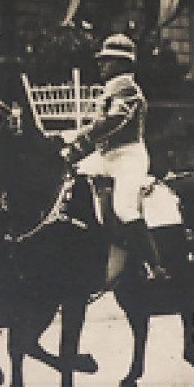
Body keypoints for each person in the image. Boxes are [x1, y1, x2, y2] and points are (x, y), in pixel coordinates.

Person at [59, 33, 164, 284]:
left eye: (107, 61)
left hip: (128, 156)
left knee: (124, 208)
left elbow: (113, 122)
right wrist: (70, 153)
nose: (101, 64)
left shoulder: (127, 88)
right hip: (105, 155)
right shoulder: (110, 88)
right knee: (66, 183)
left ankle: (154, 264)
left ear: (121, 64)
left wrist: (77, 134)